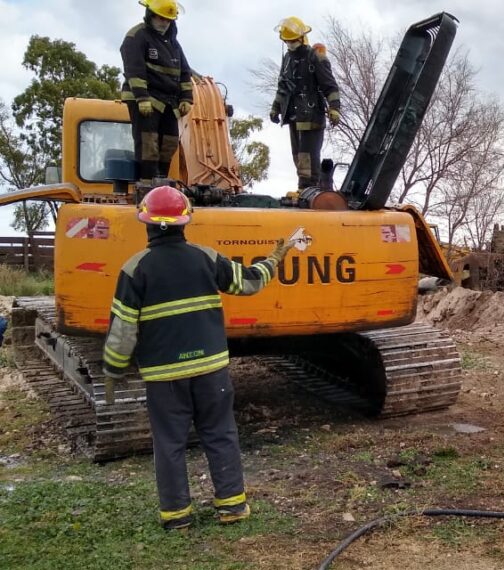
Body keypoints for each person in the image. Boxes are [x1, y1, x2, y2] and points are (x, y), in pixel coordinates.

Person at [101, 186, 296, 530]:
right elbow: (249, 283)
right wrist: (275, 258)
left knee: (169, 443)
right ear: (184, 221)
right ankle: (232, 507)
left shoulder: (134, 270)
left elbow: (123, 331)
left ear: (146, 222)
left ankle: (177, 517)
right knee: (220, 433)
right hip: (211, 370)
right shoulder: (205, 257)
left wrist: (113, 371)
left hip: (165, 378)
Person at [120, 0, 194, 183]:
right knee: (148, 143)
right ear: (150, 15)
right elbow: (134, 69)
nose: (164, 23)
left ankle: (161, 179)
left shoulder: (173, 44)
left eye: (168, 20)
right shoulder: (136, 36)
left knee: (170, 142)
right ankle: (147, 182)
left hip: (169, 101)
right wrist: (142, 97)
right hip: (146, 100)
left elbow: (185, 72)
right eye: (161, 18)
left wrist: (186, 98)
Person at [270, 17, 342, 189]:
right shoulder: (287, 58)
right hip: (293, 115)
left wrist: (334, 109)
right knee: (298, 155)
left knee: (308, 157)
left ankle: (309, 189)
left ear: (302, 38)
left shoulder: (316, 57)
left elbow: (330, 86)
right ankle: (304, 188)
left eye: (293, 40)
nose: (290, 44)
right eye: (287, 41)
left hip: (311, 116)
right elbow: (283, 86)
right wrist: (275, 108)